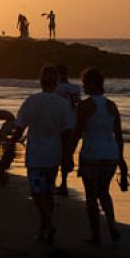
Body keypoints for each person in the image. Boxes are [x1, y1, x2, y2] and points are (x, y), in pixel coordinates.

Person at [8, 65, 69, 243]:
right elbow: (67, 133)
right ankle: (44, 228)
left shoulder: (32, 101)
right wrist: (67, 155)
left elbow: (19, 128)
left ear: (41, 81)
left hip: (36, 154)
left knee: (37, 193)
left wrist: (10, 147)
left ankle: (48, 224)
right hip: (54, 154)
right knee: (48, 193)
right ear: (56, 82)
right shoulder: (62, 104)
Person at [70, 68, 125, 245]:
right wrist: (122, 162)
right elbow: (119, 135)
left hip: (91, 152)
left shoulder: (85, 105)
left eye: (85, 83)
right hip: (111, 153)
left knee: (91, 196)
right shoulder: (112, 105)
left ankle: (96, 235)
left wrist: (68, 155)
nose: (84, 86)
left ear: (92, 84)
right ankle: (111, 224)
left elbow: (77, 133)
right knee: (104, 192)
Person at [55, 64, 81, 196]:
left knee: (58, 154)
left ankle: (61, 183)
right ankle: (64, 182)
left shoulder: (56, 88)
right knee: (68, 154)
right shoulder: (76, 88)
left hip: (60, 125)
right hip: (74, 124)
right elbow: (78, 105)